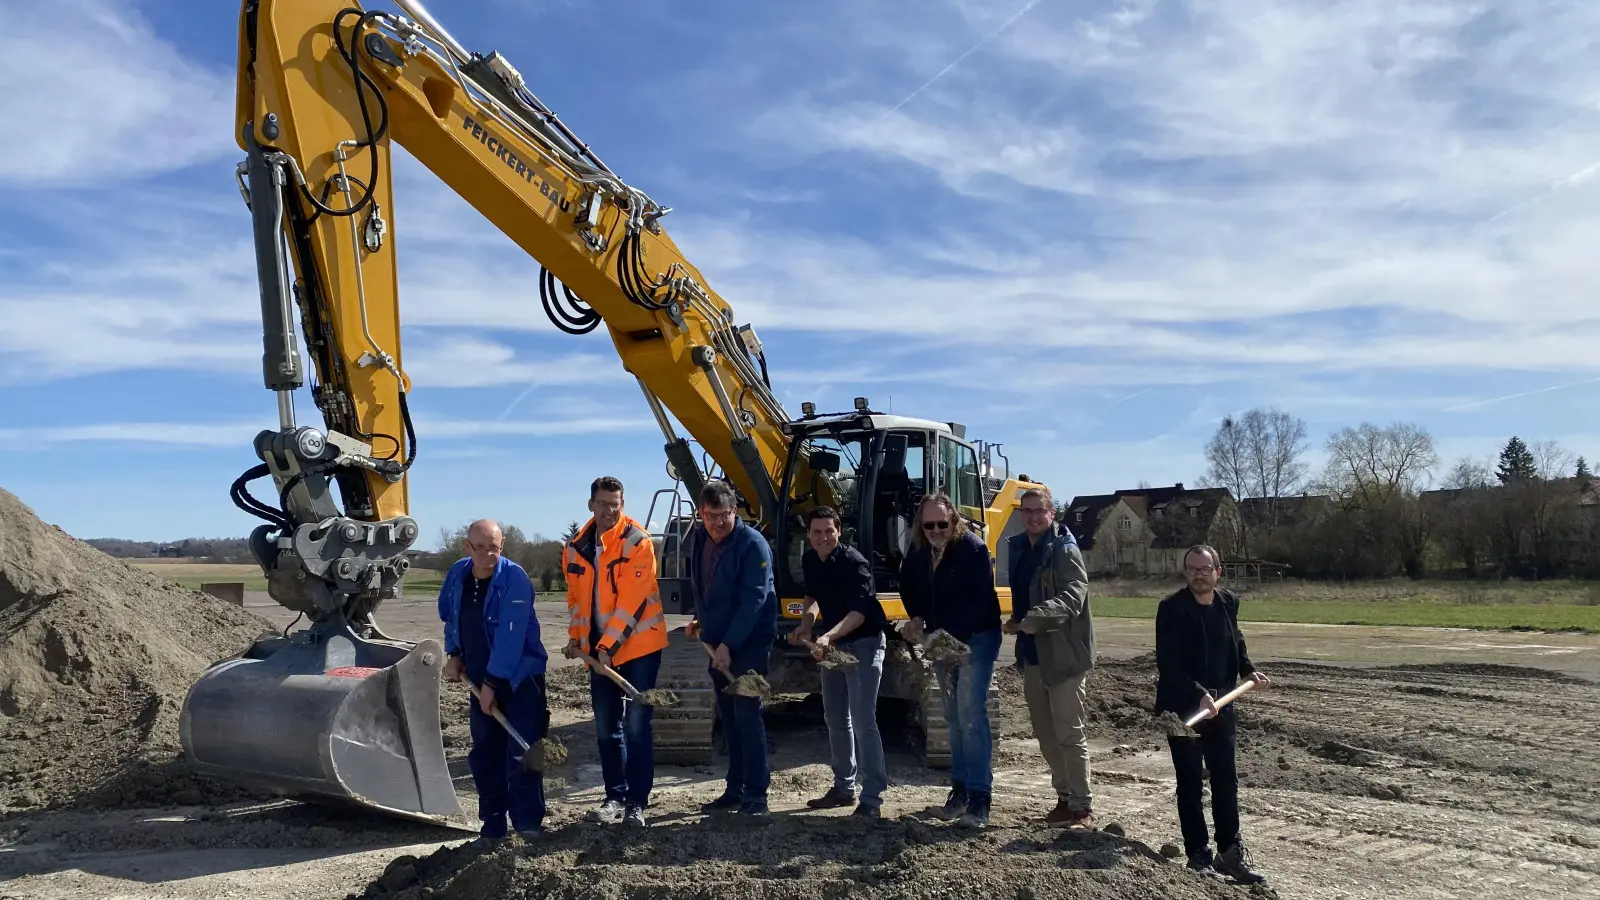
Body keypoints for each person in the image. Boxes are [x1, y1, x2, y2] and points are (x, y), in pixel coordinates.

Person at [1155, 544, 1271, 884]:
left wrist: (1247, 669)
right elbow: (1168, 662)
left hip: (1222, 705)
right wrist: (1199, 694)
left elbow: (1235, 640)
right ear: (1185, 572)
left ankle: (1230, 854)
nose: (1198, 574)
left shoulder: (1228, 602)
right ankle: (1198, 855)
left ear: (1217, 571)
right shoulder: (1171, 609)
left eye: (1205, 568)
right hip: (1183, 710)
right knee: (1190, 782)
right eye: (1192, 568)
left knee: (1225, 779)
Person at [562, 476, 667, 828]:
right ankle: (614, 796)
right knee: (607, 727)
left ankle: (637, 801)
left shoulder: (638, 540)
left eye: (615, 504)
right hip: (598, 650)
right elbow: (577, 601)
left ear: (623, 505)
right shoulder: (575, 547)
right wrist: (579, 639)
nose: (610, 510)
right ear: (590, 504)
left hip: (639, 645)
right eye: (604, 503)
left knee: (637, 725)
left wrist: (609, 645)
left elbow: (633, 601)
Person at [437, 519, 549, 841]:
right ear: (467, 547)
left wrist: (493, 685)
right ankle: (493, 825)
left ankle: (527, 825)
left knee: (522, 752)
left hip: (519, 679)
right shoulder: (458, 574)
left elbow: (510, 636)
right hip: (479, 678)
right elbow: (450, 616)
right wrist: (454, 653)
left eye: (495, 548)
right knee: (485, 753)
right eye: (481, 548)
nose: (489, 555)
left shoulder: (514, 579)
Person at [899, 492, 1002, 829]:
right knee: (952, 717)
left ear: (953, 521)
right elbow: (909, 587)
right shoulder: (917, 552)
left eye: (942, 523)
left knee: (971, 713)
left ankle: (979, 800)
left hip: (976, 639)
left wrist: (936, 637)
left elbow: (976, 605)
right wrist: (915, 617)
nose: (935, 530)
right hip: (943, 639)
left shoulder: (973, 551)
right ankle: (958, 795)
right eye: (928, 524)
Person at [788, 506, 890, 818]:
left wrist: (827, 636)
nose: (823, 538)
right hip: (833, 646)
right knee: (834, 718)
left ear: (839, 531)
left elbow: (858, 614)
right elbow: (812, 596)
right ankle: (844, 788)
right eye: (816, 532)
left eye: (828, 531)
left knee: (863, 721)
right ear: (808, 535)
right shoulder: (809, 559)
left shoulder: (855, 563)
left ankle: (872, 798)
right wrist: (806, 625)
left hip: (864, 643)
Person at [1006, 487, 1095, 828]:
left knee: (1069, 733)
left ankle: (1082, 808)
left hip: (1064, 655)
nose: (1030, 516)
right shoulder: (1019, 548)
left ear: (1051, 513)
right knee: (1045, 734)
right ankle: (1064, 798)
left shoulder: (1064, 549)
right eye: (1025, 511)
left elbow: (1074, 594)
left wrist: (1034, 618)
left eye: (1037, 510)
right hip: (1032, 655)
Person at [688, 480, 779, 817]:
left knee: (747, 716)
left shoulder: (753, 545)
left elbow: (754, 600)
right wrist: (700, 620)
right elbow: (704, 584)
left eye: (724, 515)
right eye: (711, 516)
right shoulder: (698, 539)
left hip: (750, 642)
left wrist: (729, 644)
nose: (717, 523)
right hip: (717, 641)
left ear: (734, 511)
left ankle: (756, 795)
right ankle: (735, 788)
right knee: (728, 718)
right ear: (701, 514)